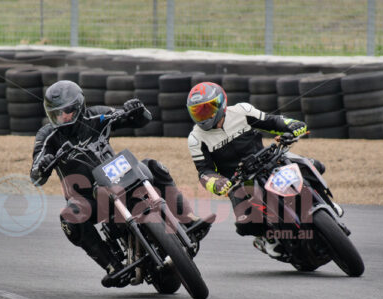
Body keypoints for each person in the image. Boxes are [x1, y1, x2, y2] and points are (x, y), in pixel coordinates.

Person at [30, 80, 211, 287]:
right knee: (69, 218)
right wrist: (41, 165)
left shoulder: (96, 114)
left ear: (79, 107)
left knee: (154, 166)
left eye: (67, 112)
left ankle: (187, 219)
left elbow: (141, 120)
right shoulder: (48, 135)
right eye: (56, 114)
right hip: (88, 197)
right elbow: (36, 174)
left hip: (118, 176)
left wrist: (135, 109)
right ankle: (112, 265)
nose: (62, 118)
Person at [186, 81, 327, 258]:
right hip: (238, 181)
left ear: (221, 103)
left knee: (313, 165)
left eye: (206, 109)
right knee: (247, 224)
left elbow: (272, 121)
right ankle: (266, 239)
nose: (203, 116)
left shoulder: (241, 111)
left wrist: (292, 125)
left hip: (269, 160)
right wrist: (218, 183)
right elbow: (204, 171)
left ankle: (324, 201)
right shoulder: (195, 138)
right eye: (197, 111)